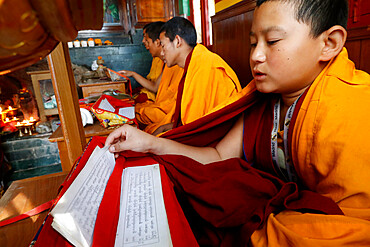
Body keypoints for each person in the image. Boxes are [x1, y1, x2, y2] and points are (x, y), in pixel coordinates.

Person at [106, 0, 370, 246]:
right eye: (254, 43)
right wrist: (152, 143)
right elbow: (219, 155)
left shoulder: (350, 105)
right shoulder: (264, 98)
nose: (256, 56)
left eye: (273, 41)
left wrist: (256, 230)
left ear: (329, 43)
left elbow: (354, 228)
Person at [151, 17, 242, 134]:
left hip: (217, 136)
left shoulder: (205, 65)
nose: (162, 52)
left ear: (177, 41)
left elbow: (195, 126)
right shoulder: (193, 62)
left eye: (163, 46)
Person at [121, 22, 165, 102]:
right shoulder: (164, 61)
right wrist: (132, 74)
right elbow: (155, 87)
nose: (143, 41)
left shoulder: (171, 63)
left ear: (158, 42)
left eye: (146, 39)